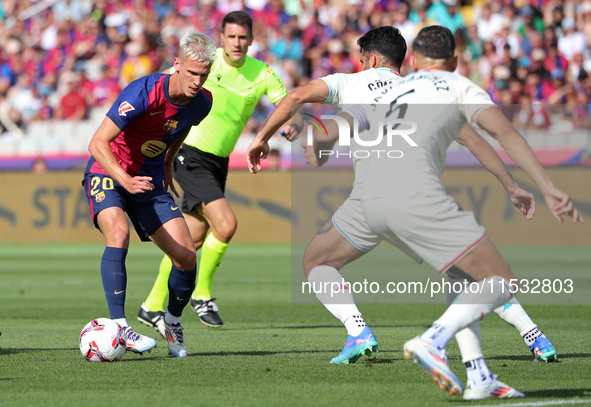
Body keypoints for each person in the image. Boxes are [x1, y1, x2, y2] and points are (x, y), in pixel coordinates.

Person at [246, 26, 583, 400]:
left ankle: (363, 332)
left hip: (368, 201)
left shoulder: (350, 84)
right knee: (480, 274)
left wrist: (267, 137)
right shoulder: (424, 90)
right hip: (415, 197)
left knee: (316, 261)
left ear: (371, 59)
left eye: (361, 59)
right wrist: (513, 186)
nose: (360, 65)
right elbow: (479, 140)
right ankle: (526, 336)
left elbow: (300, 104)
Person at [137, 11, 295, 330]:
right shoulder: (206, 66)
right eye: (231, 37)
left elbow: (287, 103)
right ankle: (202, 294)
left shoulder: (263, 74)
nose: (237, 43)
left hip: (217, 162)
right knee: (226, 225)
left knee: (190, 242)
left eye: (243, 37)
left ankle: (151, 306)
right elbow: (166, 86)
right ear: (222, 38)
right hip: (189, 153)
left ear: (251, 39)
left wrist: (292, 124)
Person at [82, 31, 217, 358]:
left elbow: (181, 127)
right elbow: (97, 143)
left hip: (149, 181)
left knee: (186, 258)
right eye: (191, 73)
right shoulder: (143, 92)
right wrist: (124, 180)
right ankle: (119, 327)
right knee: (118, 232)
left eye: (204, 74)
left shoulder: (203, 102)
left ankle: (170, 321)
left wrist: (168, 163)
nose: (197, 81)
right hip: (109, 171)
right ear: (177, 65)